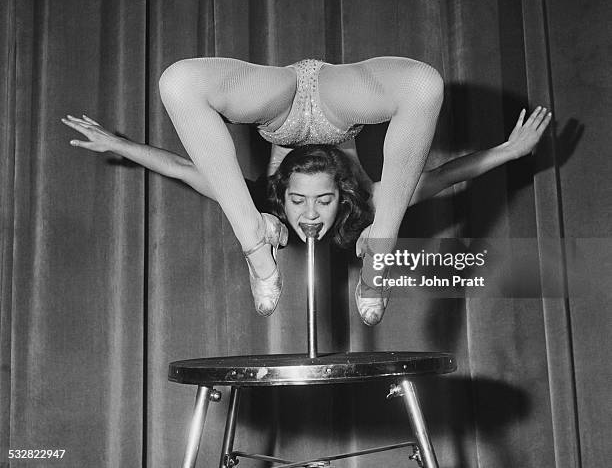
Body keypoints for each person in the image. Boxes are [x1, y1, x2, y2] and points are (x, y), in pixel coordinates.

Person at [62, 100, 551, 324]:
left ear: (342, 196)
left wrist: (509, 152)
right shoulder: (262, 199)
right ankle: (269, 246)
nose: (311, 215)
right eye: (298, 202)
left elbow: (445, 177)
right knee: (252, 216)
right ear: (283, 193)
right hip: (294, 114)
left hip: (332, 114)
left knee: (386, 218)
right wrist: (118, 144)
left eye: (323, 201)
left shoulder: (367, 198)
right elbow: (183, 168)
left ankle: (372, 274)